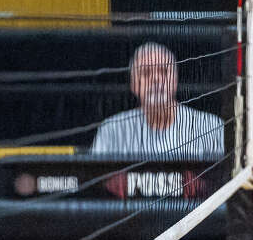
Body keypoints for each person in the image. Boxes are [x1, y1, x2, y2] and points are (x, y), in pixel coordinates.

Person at [91, 41, 224, 157]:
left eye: (164, 71)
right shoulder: (112, 130)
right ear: (133, 85)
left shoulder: (210, 127)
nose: (156, 79)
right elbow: (99, 183)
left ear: (175, 80)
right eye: (146, 73)